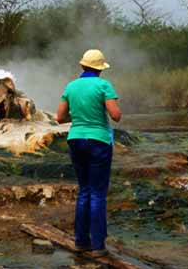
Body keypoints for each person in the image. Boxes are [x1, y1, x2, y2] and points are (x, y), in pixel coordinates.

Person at [56, 49, 122, 258]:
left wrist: (79, 116)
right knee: (98, 193)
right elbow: (116, 115)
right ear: (100, 69)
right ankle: (98, 245)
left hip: (75, 139)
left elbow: (59, 117)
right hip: (99, 141)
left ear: (83, 66)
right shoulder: (104, 85)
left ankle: (81, 242)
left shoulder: (71, 86)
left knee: (84, 190)